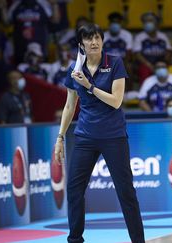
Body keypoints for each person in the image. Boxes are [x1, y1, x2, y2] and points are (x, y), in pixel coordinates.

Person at [53, 23, 145, 243]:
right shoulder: (74, 70)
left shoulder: (114, 63)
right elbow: (69, 106)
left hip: (113, 136)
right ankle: (75, 239)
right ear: (81, 44)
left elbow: (116, 101)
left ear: (102, 41)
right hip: (85, 136)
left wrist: (90, 86)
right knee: (75, 189)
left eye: (97, 38)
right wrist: (60, 137)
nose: (94, 42)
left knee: (126, 193)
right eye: (89, 38)